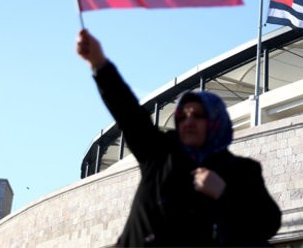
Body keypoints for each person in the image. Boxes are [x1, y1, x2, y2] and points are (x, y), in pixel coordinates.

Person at [77, 29, 281, 247]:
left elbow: (267, 224)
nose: (189, 122)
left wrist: (223, 193)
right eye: (182, 116)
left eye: (198, 116)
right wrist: (99, 63)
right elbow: (130, 115)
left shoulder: (241, 171)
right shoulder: (160, 154)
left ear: (215, 122)